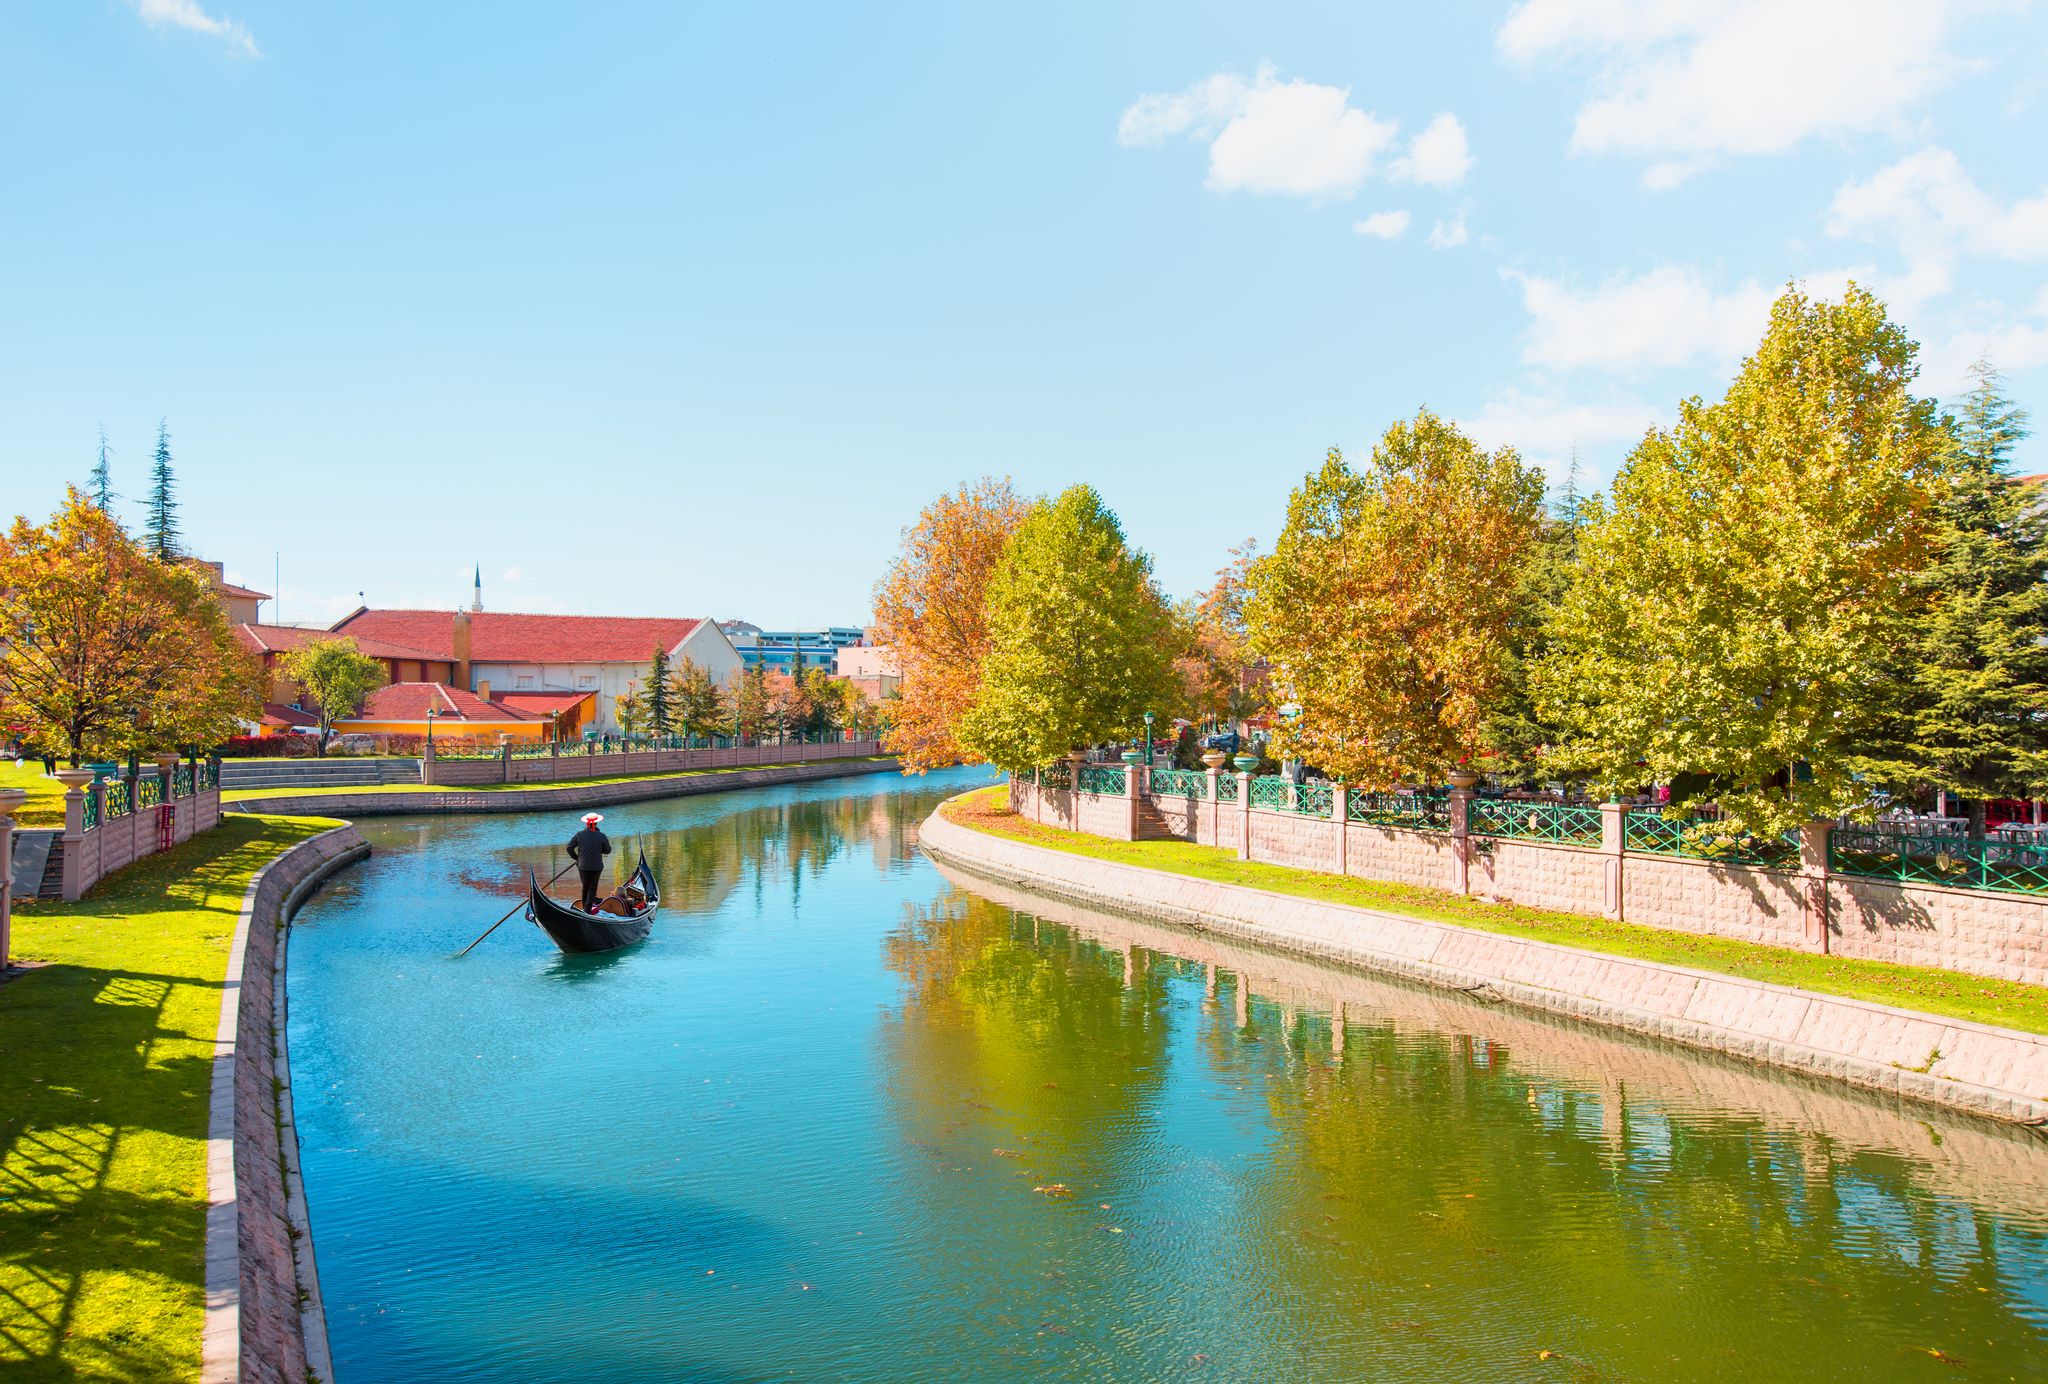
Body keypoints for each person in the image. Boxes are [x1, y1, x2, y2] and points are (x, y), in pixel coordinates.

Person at [565, 812, 612, 913]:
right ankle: (587, 910)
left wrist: (577, 858)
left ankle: (584, 908)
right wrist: (600, 849)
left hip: (583, 866)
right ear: (596, 824)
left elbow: (569, 848)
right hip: (596, 867)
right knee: (592, 888)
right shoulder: (601, 836)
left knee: (585, 887)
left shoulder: (579, 834)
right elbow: (608, 850)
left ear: (587, 824)